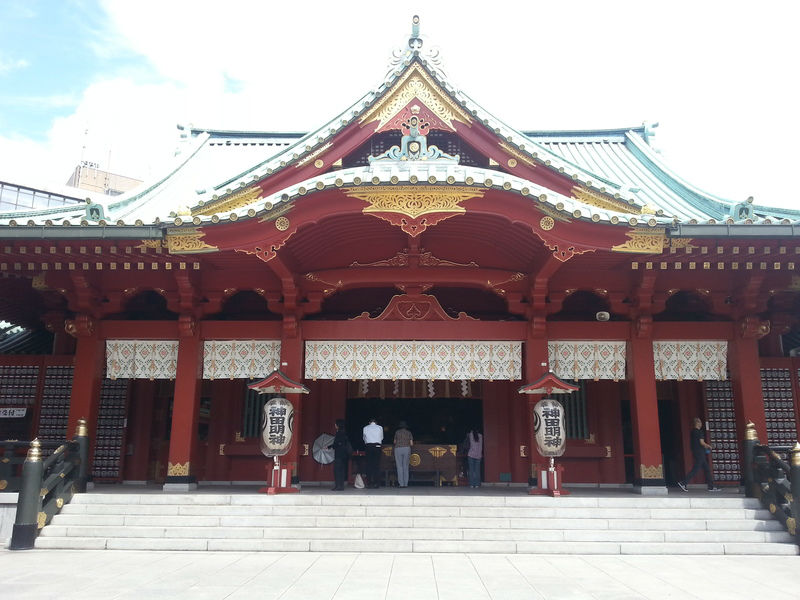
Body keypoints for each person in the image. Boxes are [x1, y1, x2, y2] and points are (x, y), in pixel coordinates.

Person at [677, 418, 720, 492]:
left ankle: (711, 487)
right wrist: (709, 446)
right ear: (697, 423)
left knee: (707, 469)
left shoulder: (692, 432)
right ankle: (683, 483)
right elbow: (702, 443)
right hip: (700, 453)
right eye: (700, 422)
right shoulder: (699, 432)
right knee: (696, 469)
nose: (701, 423)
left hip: (696, 452)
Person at [329, 419, 351, 491]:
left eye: (336, 424)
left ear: (338, 425)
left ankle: (338, 486)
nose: (335, 425)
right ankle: (341, 486)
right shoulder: (344, 433)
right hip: (344, 454)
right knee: (341, 470)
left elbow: (337, 444)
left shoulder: (339, 433)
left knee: (337, 470)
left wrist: (332, 447)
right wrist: (330, 446)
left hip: (339, 454)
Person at [362, 417, 384, 489]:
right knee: (376, 465)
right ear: (376, 422)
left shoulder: (365, 428)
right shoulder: (380, 427)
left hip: (369, 446)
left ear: (369, 422)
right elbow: (381, 437)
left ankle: (369, 483)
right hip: (377, 446)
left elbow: (364, 438)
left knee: (368, 464)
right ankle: (376, 483)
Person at [393, 420, 413, 488]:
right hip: (407, 449)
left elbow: (394, 442)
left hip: (398, 449)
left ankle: (401, 484)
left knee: (399, 466)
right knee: (406, 466)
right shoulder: (409, 432)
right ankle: (406, 484)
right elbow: (411, 443)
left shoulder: (397, 432)